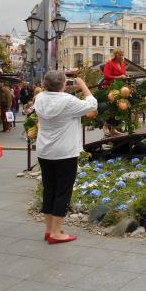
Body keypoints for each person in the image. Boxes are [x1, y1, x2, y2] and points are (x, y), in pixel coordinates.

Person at [34, 71, 97, 243]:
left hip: (45, 151)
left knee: (49, 190)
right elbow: (92, 104)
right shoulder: (68, 101)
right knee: (63, 191)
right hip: (64, 153)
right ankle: (56, 233)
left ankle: (49, 229)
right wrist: (82, 84)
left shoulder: (39, 98)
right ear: (63, 84)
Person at [102, 49, 126, 136]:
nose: (121, 57)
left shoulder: (122, 64)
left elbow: (124, 74)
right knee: (111, 107)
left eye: (122, 55)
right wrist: (119, 77)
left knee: (118, 107)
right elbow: (106, 76)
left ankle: (113, 128)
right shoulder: (109, 64)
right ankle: (105, 126)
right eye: (120, 55)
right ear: (115, 55)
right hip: (110, 88)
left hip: (119, 88)